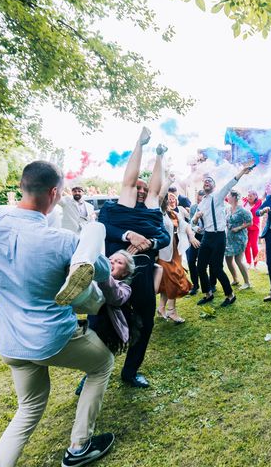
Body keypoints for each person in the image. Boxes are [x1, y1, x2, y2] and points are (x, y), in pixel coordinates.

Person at [0, 161, 115, 467]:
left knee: (28, 409)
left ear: (22, 188)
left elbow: (2, 216)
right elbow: (103, 270)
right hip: (51, 338)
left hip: (10, 340)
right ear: (54, 193)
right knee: (103, 364)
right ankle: (79, 446)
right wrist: (88, 254)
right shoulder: (62, 240)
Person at [97, 127, 171, 389]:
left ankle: (130, 372)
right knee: (100, 321)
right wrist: (129, 236)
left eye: (144, 188)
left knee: (145, 321)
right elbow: (105, 230)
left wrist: (150, 242)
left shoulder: (153, 210)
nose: (141, 191)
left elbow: (165, 238)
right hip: (113, 273)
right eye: (139, 187)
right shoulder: (114, 208)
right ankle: (92, 372)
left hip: (141, 274)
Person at [192, 163, 254, 307]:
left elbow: (229, 184)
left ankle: (230, 295)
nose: (206, 182)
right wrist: (196, 221)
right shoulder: (201, 204)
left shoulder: (218, 196)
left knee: (216, 268)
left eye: (210, 181)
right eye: (205, 181)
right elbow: (193, 224)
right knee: (200, 266)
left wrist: (242, 172)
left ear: (213, 186)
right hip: (207, 236)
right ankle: (208, 294)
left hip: (219, 237)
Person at [157, 189, 199, 323]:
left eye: (171, 198)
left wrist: (191, 236)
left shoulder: (173, 213)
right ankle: (171, 311)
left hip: (175, 251)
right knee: (173, 279)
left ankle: (161, 308)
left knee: (166, 281)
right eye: (166, 198)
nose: (169, 200)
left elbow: (185, 225)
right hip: (162, 252)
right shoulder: (156, 213)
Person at [187, 191, 216, 295]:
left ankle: (212, 284)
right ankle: (195, 285)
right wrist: (196, 228)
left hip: (209, 236)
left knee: (211, 261)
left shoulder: (211, 206)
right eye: (198, 200)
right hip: (197, 236)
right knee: (191, 260)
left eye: (201, 200)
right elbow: (191, 223)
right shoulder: (193, 207)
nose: (199, 202)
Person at [225, 190, 253, 289]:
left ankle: (247, 282)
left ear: (234, 197)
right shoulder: (228, 209)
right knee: (228, 259)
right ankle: (235, 279)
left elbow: (250, 222)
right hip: (229, 237)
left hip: (239, 238)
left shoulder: (243, 210)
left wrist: (239, 227)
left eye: (229, 195)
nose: (227, 197)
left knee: (238, 260)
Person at [243, 189, 262, 268]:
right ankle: (248, 263)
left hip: (254, 227)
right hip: (245, 227)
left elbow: (255, 211)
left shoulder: (258, 202)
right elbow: (234, 200)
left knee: (254, 246)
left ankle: (256, 263)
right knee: (246, 245)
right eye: (248, 196)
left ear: (255, 196)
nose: (249, 197)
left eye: (251, 196)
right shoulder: (244, 201)